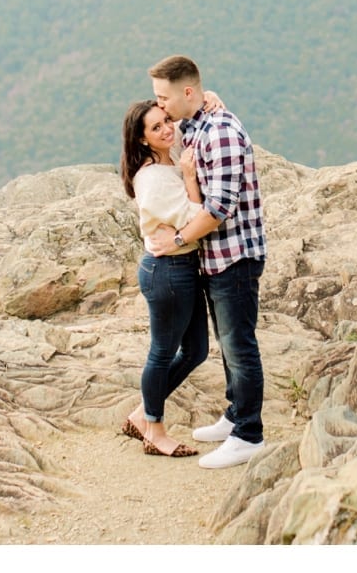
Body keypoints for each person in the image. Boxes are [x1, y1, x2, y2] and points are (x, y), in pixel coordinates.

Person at [145, 55, 267, 470]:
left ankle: (249, 434)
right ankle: (235, 414)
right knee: (228, 345)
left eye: (164, 97)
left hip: (235, 255)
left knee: (239, 345)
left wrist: (177, 239)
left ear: (188, 92)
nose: (160, 106)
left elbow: (219, 209)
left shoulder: (222, 133)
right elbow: (157, 129)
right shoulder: (196, 122)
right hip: (215, 258)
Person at [118, 99, 209, 457]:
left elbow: (193, 98)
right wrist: (190, 178)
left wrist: (210, 97)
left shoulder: (168, 161)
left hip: (182, 267)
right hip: (167, 272)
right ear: (141, 140)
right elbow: (197, 217)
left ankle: (142, 414)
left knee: (197, 350)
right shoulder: (154, 177)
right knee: (161, 353)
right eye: (156, 128)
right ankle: (154, 428)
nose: (167, 129)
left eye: (166, 120)